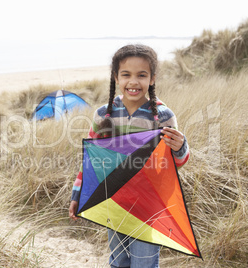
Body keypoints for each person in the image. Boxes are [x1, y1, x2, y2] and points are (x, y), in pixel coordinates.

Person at [68, 44, 190, 268]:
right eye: (126, 74)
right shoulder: (103, 114)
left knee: (144, 262)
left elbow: (175, 164)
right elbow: (90, 161)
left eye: (141, 75)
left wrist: (180, 146)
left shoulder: (163, 116)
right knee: (119, 260)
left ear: (152, 79)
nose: (133, 82)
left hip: (150, 204)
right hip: (115, 200)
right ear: (116, 77)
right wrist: (78, 195)